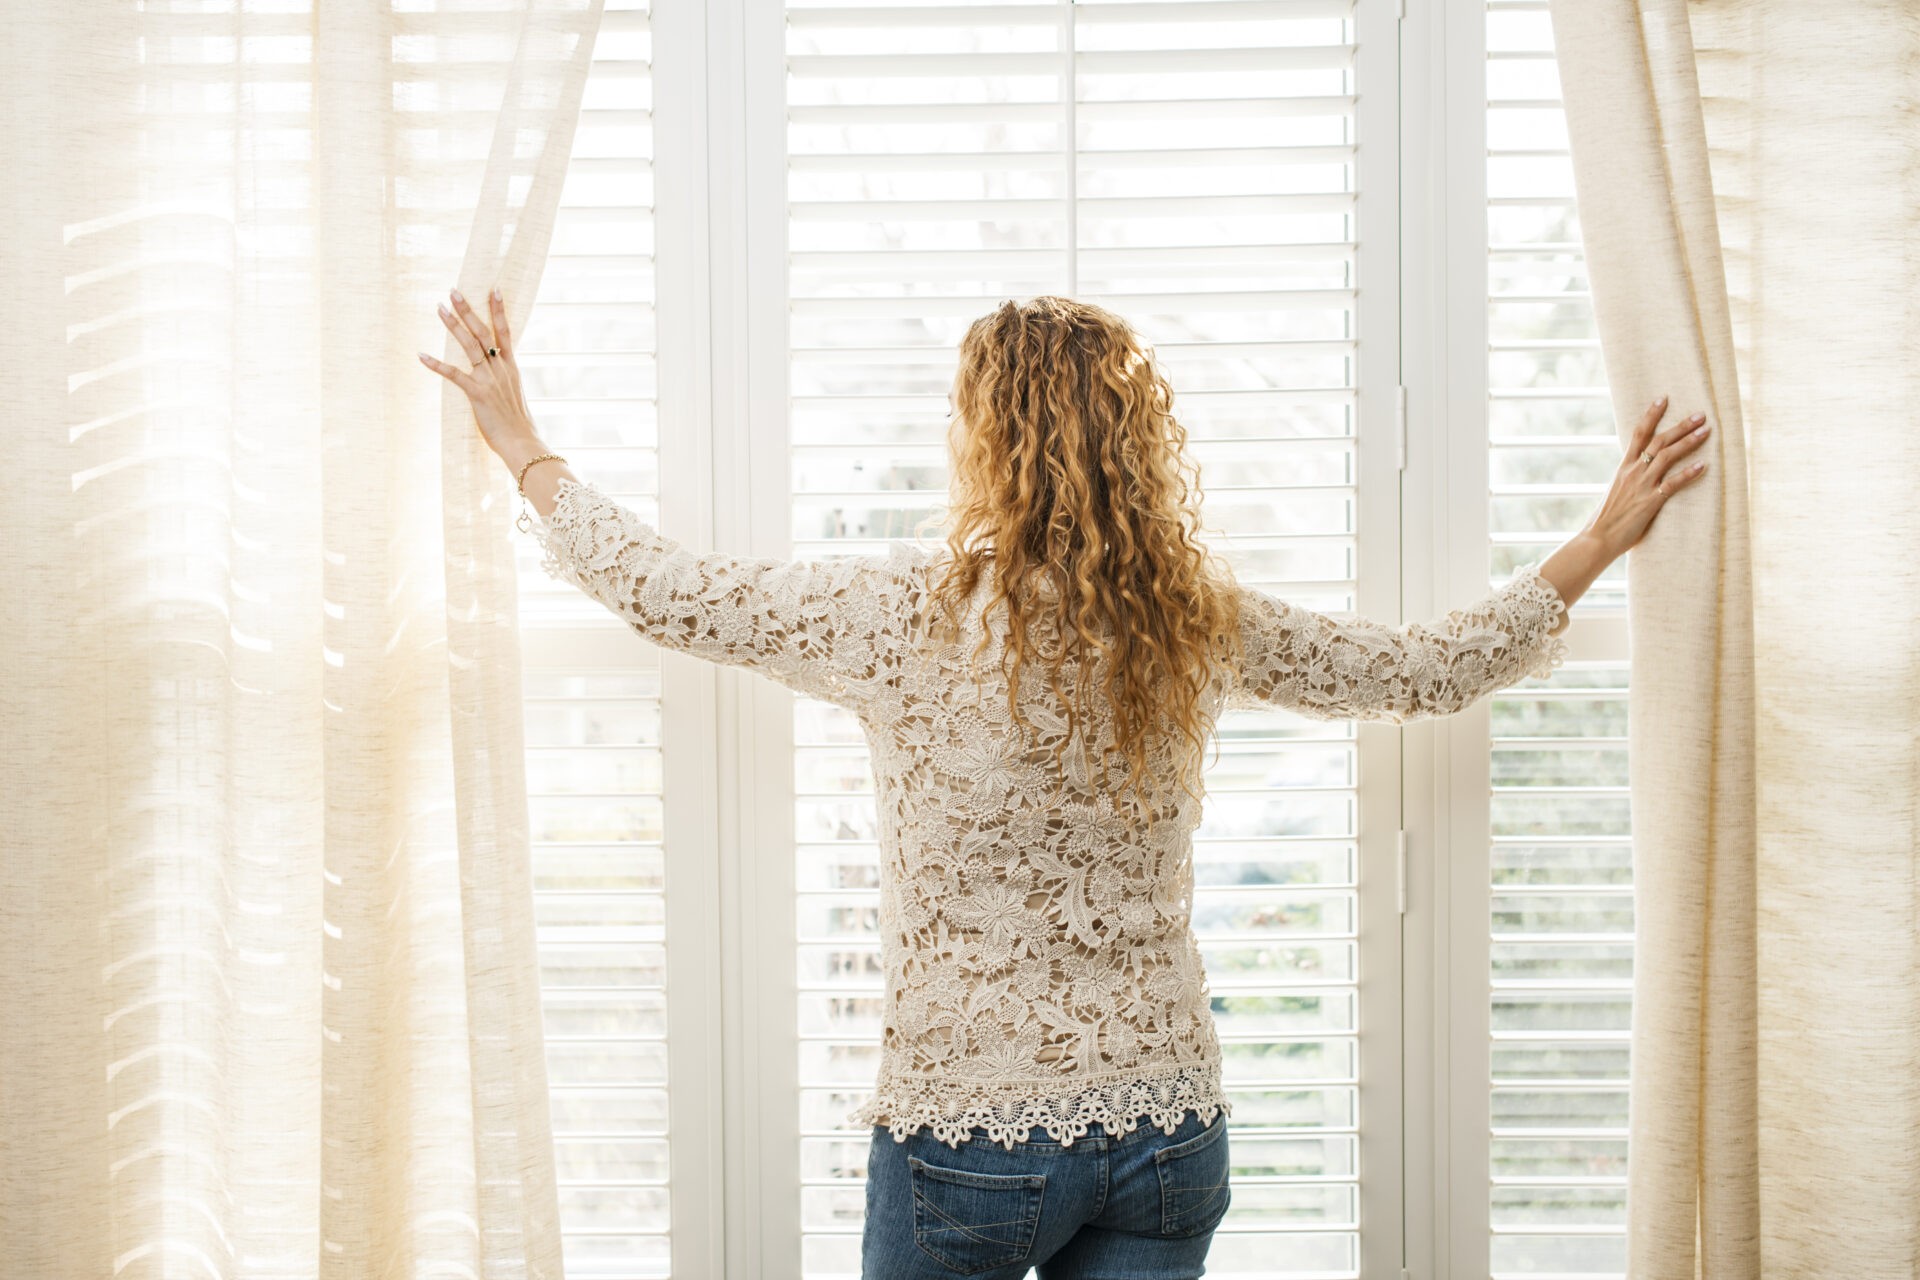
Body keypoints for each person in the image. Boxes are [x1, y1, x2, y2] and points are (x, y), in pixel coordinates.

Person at [422, 289, 1710, 1280]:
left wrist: (521, 443)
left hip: (965, 1140)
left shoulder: (904, 615)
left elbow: (672, 594)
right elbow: (1421, 669)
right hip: (1166, 1129)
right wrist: (1598, 536)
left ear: (986, 444)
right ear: (1137, 449)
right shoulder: (1191, 621)